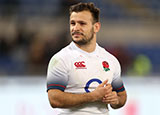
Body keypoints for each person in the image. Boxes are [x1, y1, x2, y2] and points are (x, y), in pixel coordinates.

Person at [46, 2, 127, 115]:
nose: (76, 28)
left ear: (96, 27)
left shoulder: (110, 60)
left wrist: (115, 100)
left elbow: (122, 96)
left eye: (82, 23)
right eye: (72, 23)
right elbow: (54, 99)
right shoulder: (61, 59)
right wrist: (92, 96)